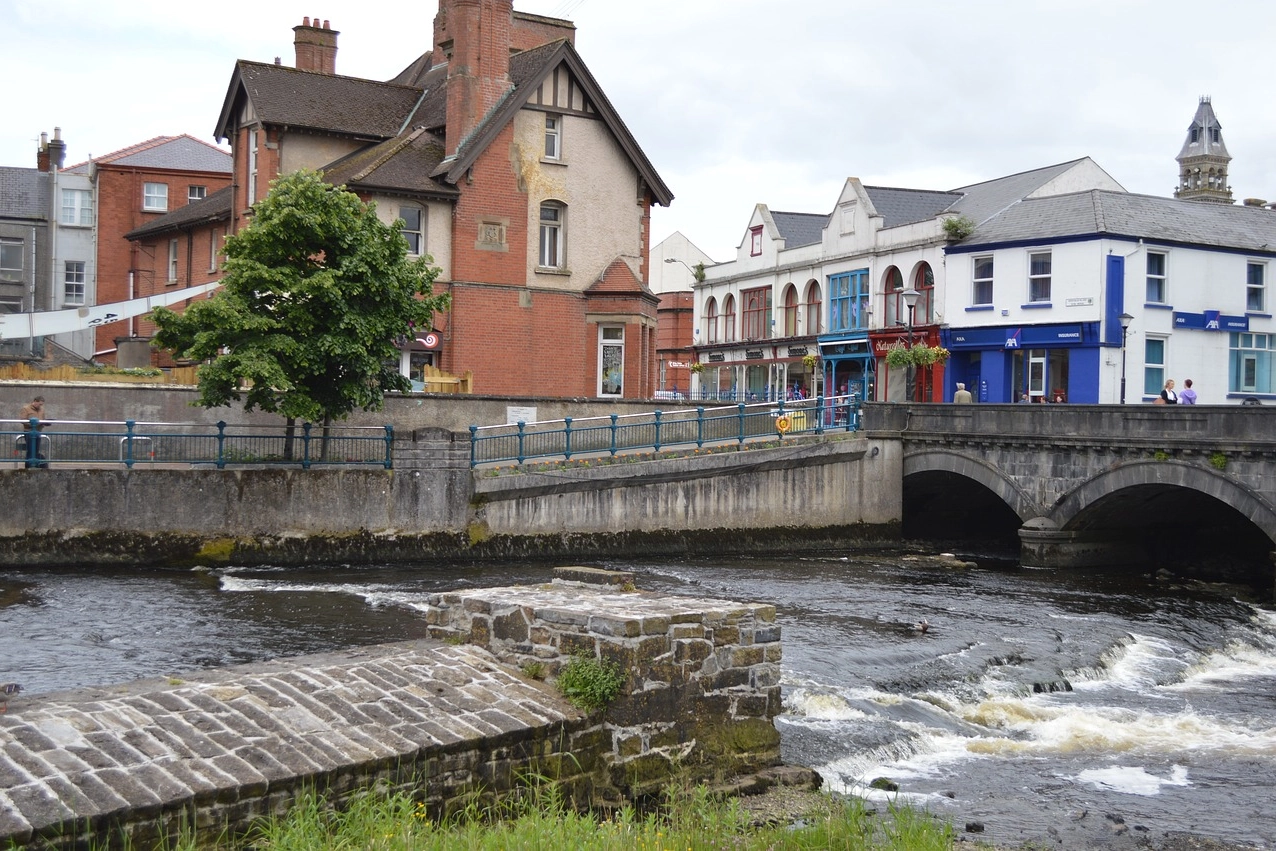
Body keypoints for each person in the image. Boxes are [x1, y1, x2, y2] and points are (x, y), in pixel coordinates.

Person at [17, 396, 47, 468]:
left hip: (38, 431)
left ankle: (35, 465)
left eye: (41, 405)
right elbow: (23, 420)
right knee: (30, 450)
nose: (40, 406)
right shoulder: (26, 409)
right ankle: (28, 466)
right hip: (29, 432)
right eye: (39, 404)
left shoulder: (41, 410)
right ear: (35, 401)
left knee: (36, 449)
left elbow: (43, 419)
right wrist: (32, 424)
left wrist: (45, 423)